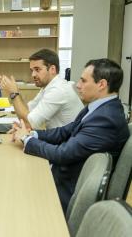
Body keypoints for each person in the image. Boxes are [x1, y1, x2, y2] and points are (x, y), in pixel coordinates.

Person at [11, 58, 130, 213]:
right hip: (67, 175)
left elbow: (63, 154)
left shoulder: (106, 119)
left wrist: (27, 139)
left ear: (101, 84)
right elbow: (63, 132)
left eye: (83, 81)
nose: (77, 85)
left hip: (69, 189)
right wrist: (31, 133)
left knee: (15, 193)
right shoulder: (97, 107)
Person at [0, 49, 83, 129]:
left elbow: (29, 123)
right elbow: (29, 110)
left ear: (52, 69)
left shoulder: (58, 90)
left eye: (37, 69)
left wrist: (14, 93)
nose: (33, 74)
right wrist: (16, 91)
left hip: (66, 142)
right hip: (57, 138)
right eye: (32, 70)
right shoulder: (48, 87)